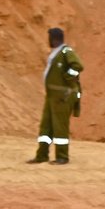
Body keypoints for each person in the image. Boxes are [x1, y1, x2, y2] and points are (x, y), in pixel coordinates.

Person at [30, 27, 83, 165]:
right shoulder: (55, 53)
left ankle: (62, 157)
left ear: (54, 38)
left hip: (63, 96)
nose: (48, 40)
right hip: (52, 96)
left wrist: (67, 78)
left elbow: (78, 66)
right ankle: (42, 155)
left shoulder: (66, 51)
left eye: (49, 37)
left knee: (60, 126)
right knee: (46, 125)